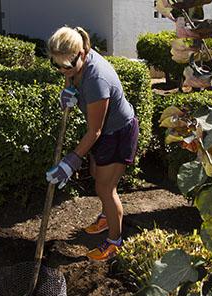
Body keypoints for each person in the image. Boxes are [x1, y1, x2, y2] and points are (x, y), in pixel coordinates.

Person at [45, 26, 139, 261]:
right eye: (56, 65)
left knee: (106, 189)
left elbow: (95, 131)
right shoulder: (79, 55)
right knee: (98, 174)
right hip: (105, 131)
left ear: (82, 54)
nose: (61, 71)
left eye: (66, 66)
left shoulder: (97, 79)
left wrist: (70, 162)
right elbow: (74, 77)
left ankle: (115, 241)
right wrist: (70, 91)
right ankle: (107, 217)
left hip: (117, 133)